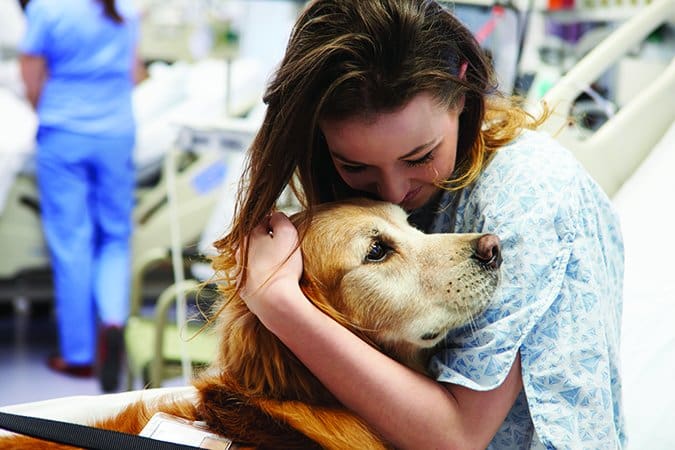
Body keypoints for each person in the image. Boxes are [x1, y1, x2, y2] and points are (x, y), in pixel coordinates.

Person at [216, 0, 625, 448]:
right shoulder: (327, 188)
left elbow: (458, 439)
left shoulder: (530, 194)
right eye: (355, 166)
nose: (391, 192)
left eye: (420, 157)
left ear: (464, 97)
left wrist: (279, 305)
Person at [19, 0, 140, 393]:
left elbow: (31, 76)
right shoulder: (124, 7)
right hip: (117, 134)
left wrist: (51, 109)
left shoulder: (47, 8)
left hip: (64, 132)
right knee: (115, 238)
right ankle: (114, 322)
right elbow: (134, 73)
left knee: (72, 242)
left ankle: (79, 356)